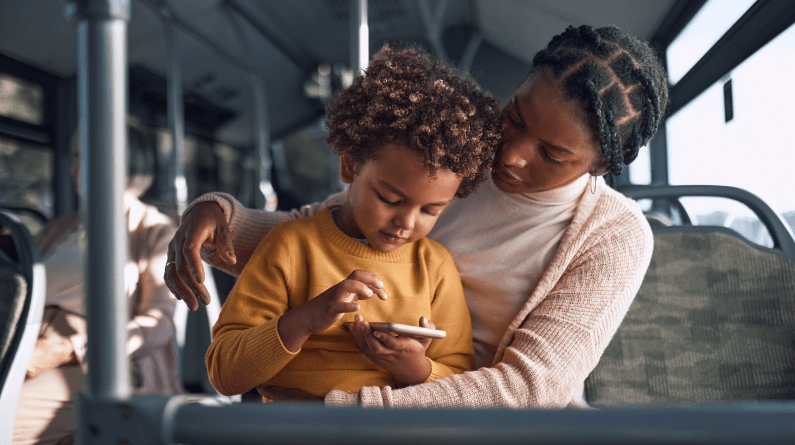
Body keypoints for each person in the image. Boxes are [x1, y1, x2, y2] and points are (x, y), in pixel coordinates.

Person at [166, 25, 669, 408]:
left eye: (553, 155)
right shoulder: (456, 155)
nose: (511, 154)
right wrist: (218, 216)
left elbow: (531, 387)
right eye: (514, 115)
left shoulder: (614, 236)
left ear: (601, 167)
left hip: (460, 419)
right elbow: (317, 237)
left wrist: (338, 408)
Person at [206, 46, 500, 398]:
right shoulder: (290, 246)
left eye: (430, 211)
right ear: (350, 165)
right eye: (390, 199)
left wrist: (413, 367)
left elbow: (459, 385)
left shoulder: (435, 268)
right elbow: (224, 374)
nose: (405, 223)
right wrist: (305, 320)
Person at [13, 127, 181, 445]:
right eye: (74, 156)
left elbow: (158, 324)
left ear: (124, 160)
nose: (76, 167)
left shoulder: (154, 231)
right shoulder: (59, 229)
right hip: (29, 343)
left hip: (106, 358)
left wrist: (67, 349)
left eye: (85, 156)